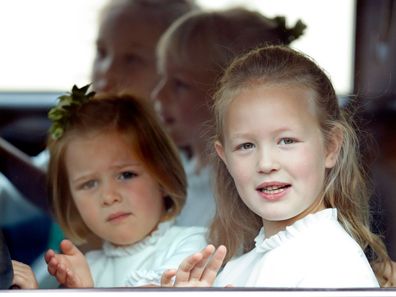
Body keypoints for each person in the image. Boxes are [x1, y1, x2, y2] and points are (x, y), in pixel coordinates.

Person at [0, 0, 198, 286]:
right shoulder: (77, 145)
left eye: (132, 59)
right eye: (102, 52)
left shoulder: (186, 238)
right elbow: (9, 201)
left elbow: (50, 195)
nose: (107, 70)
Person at [160, 45, 394, 287]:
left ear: (331, 147)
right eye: (246, 146)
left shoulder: (335, 266)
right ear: (224, 157)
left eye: (287, 141)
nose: (265, 164)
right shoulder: (235, 270)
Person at [151, 7, 306, 227]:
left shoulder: (244, 193)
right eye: (162, 77)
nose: (157, 94)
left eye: (179, 84)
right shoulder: (176, 171)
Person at [43, 85, 207, 287]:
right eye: (89, 184)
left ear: (162, 176)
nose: (109, 196)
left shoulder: (193, 244)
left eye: (126, 175)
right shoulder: (88, 268)